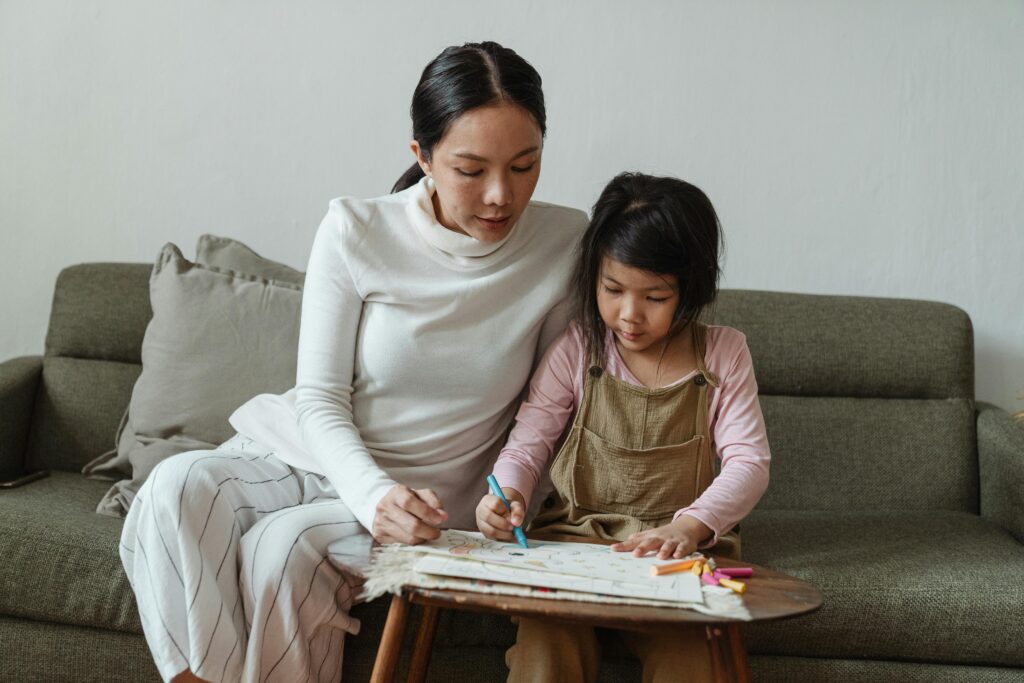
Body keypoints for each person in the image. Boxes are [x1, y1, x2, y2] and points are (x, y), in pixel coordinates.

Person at [119, 41, 588, 683]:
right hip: (313, 455)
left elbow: (549, 407)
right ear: (421, 156)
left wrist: (504, 496)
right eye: (471, 170)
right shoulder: (355, 229)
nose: (501, 195)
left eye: (525, 165)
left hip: (432, 495)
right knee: (172, 488)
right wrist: (370, 496)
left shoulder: (565, 244)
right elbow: (318, 398)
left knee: (281, 552)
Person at [476, 172, 771, 682]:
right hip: (574, 542)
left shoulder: (723, 352)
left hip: (678, 550)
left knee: (696, 660)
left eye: (654, 297)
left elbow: (750, 462)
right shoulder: (578, 347)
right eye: (612, 289)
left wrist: (690, 525)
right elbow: (528, 444)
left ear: (691, 288)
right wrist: (506, 494)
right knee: (545, 646)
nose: (628, 315)